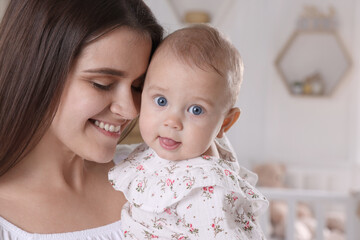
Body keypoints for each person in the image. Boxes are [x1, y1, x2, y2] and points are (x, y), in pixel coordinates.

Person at [0, 0, 163, 239]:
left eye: (138, 87)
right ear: (36, 71)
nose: (130, 110)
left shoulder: (158, 177)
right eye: (102, 84)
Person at [109, 24, 269, 239]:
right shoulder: (153, 152)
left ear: (225, 123)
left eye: (196, 110)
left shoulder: (207, 189)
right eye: (161, 101)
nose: (172, 121)